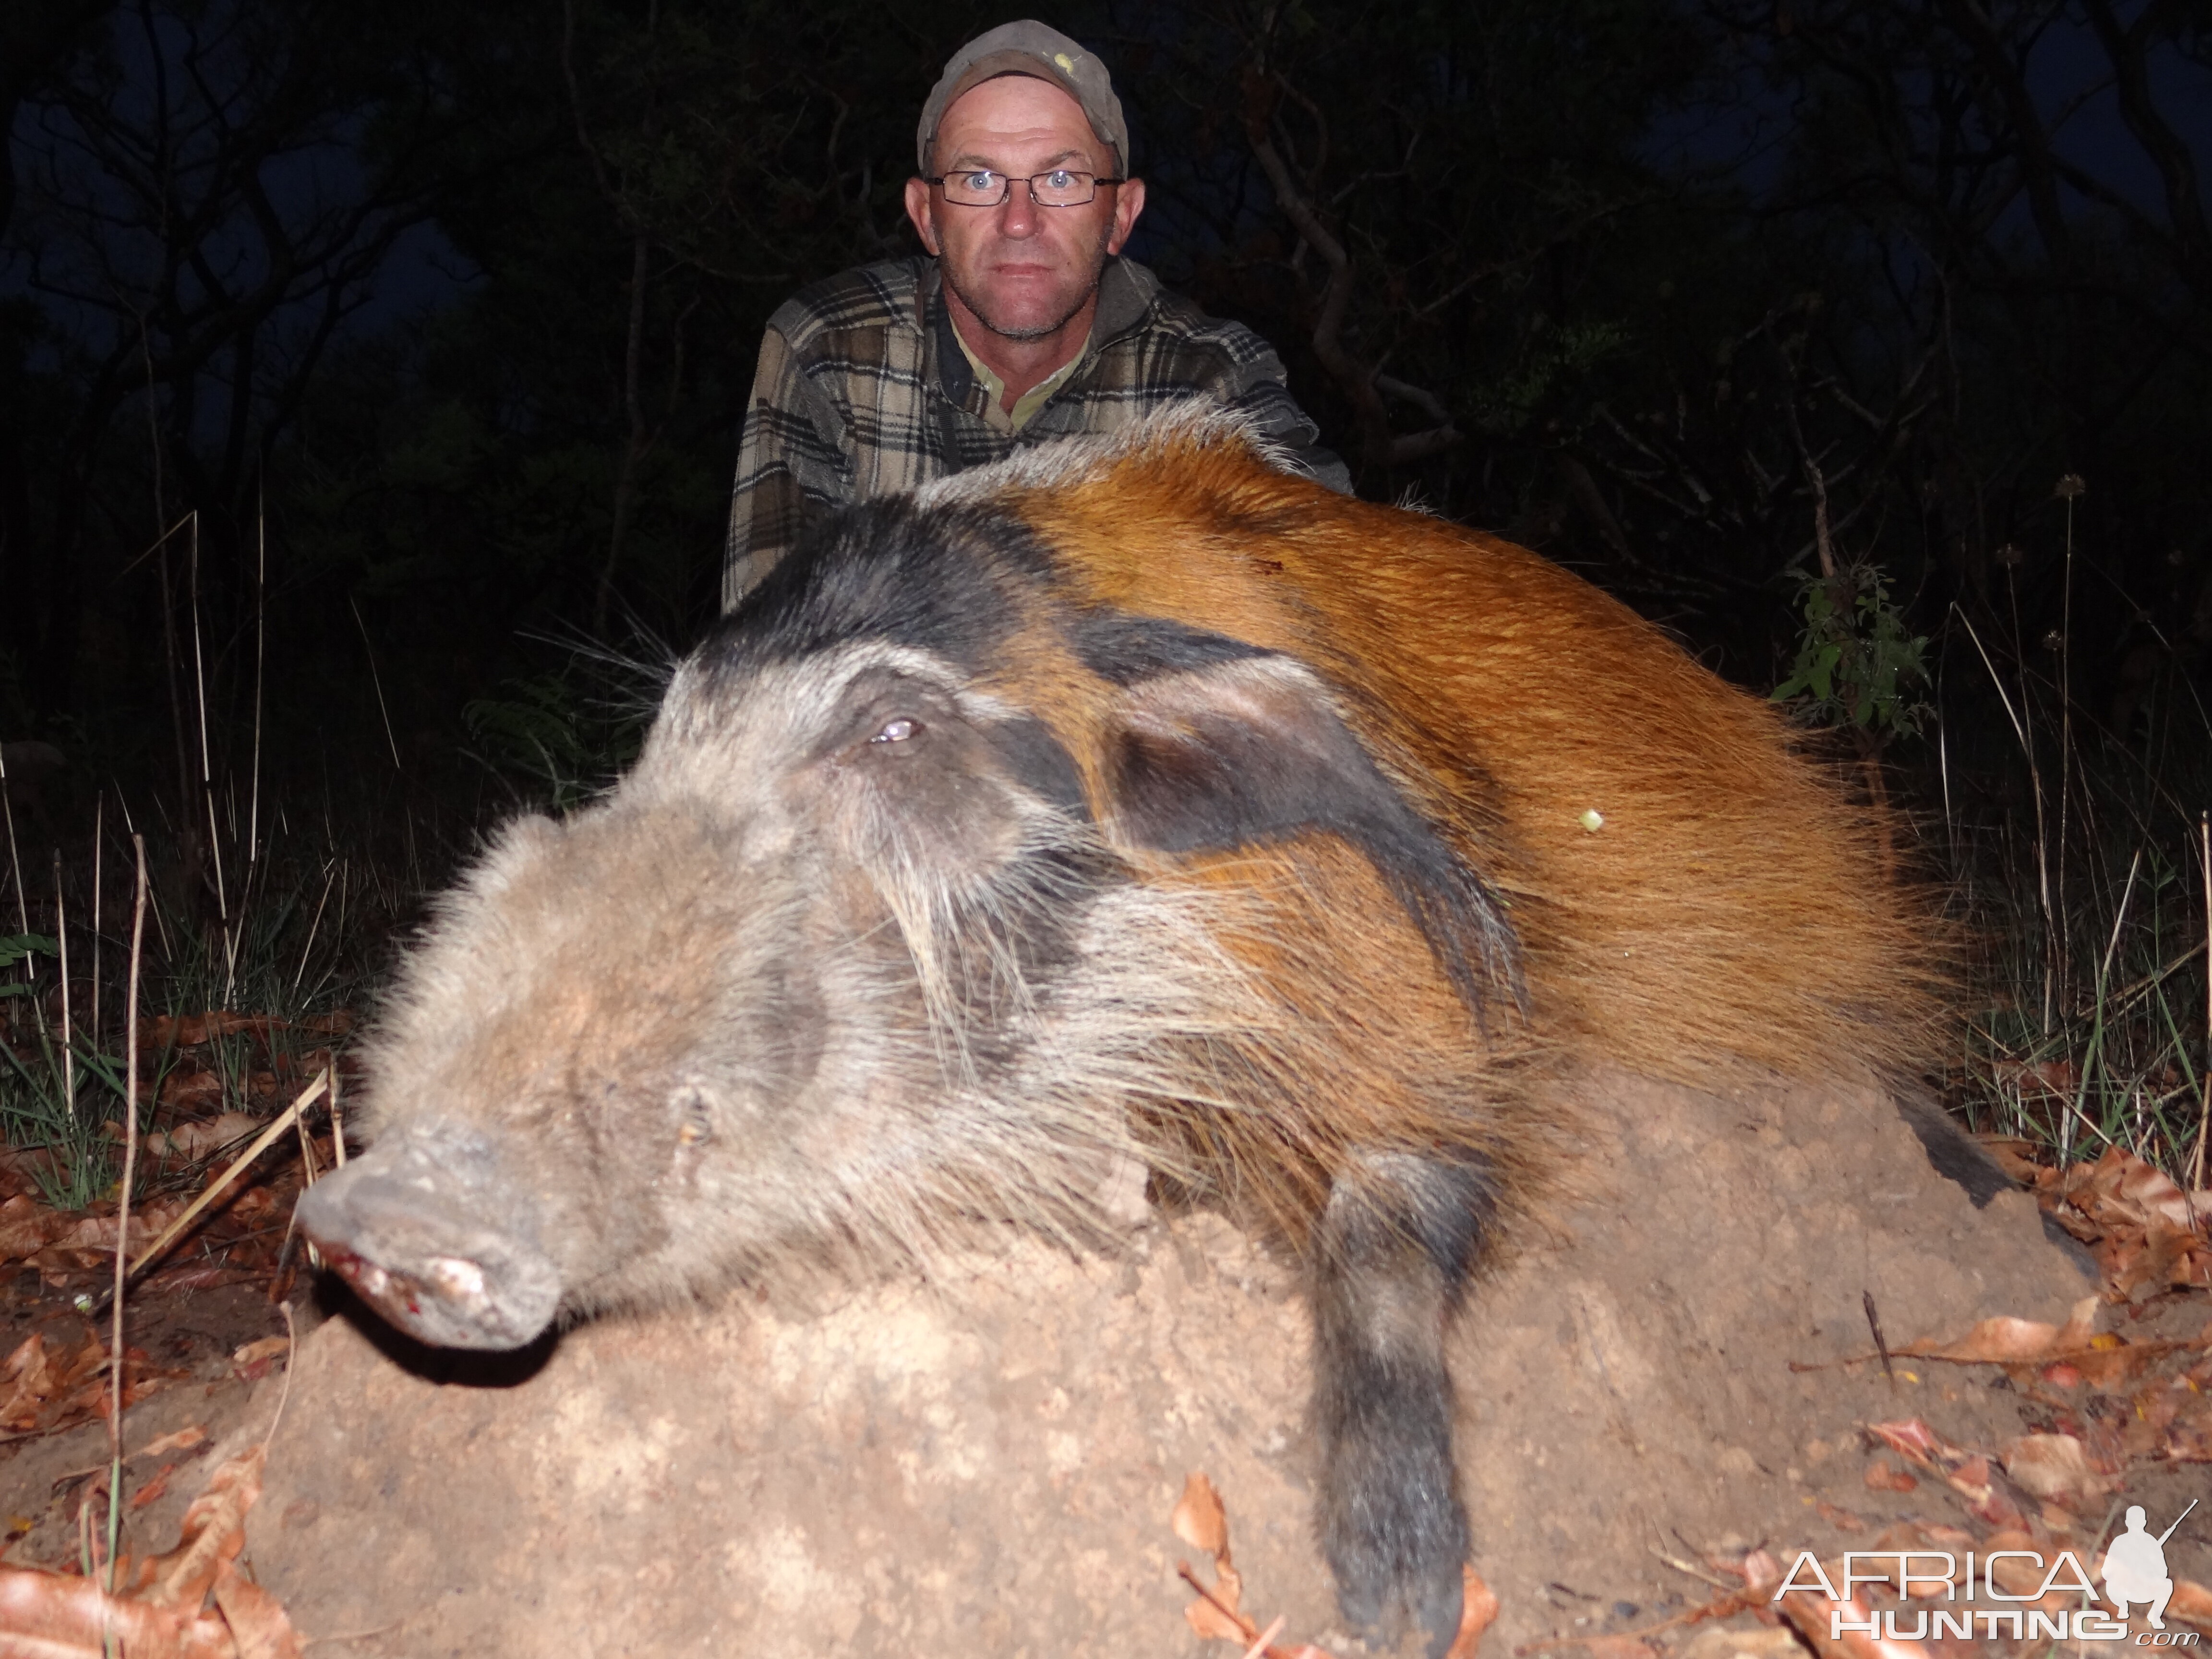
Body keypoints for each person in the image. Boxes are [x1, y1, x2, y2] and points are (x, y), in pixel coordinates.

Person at [721, 20, 1348, 610]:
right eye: (979, 180)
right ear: (926, 217)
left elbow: (1348, 594)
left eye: (1062, 179)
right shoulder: (826, 351)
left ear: (1121, 217)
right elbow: (766, 658)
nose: (1020, 221)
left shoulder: (1213, 379)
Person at [2102, 1505, 2176, 1629]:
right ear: (2127, 1523)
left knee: (2167, 1584)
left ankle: (2155, 1617)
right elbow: (2107, 1570)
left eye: (2139, 1521)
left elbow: (2163, 1571)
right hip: (2122, 1589)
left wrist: (2150, 1566)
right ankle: (2122, 1609)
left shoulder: (2152, 1543)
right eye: (2133, 1521)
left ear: (2144, 1522)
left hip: (2143, 1588)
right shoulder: (2120, 1541)